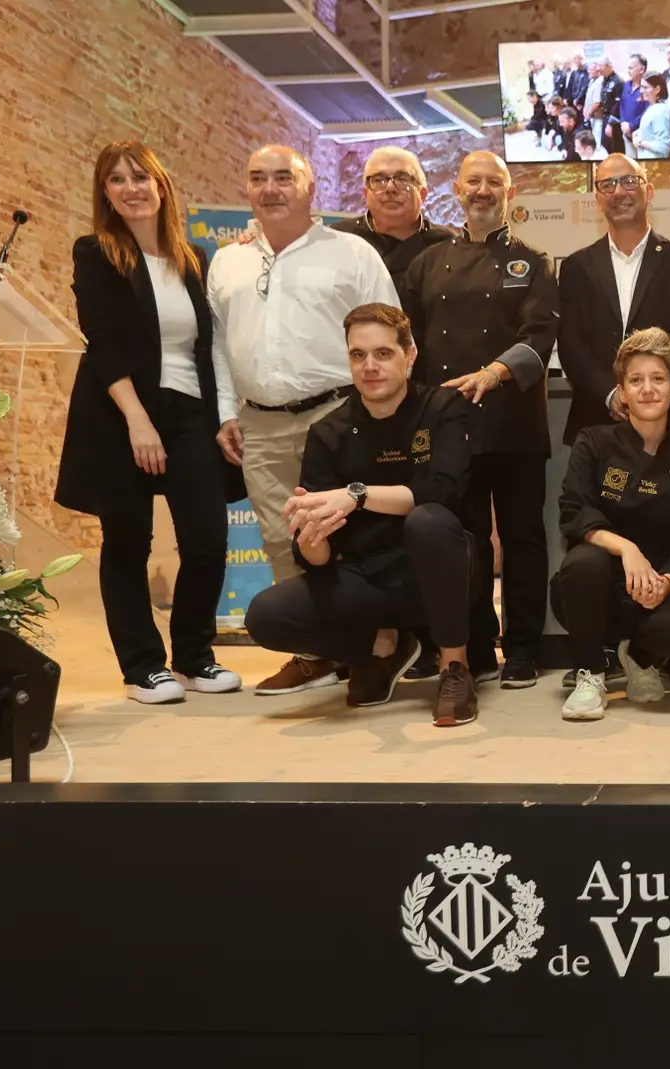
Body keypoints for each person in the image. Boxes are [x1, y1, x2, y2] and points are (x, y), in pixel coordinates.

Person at [57, 141, 246, 705]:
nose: (131, 188)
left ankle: (193, 658)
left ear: (161, 185)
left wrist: (222, 417)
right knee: (127, 542)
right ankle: (143, 667)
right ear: (106, 194)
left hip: (189, 412)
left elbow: (208, 346)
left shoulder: (192, 260)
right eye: (117, 180)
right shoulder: (96, 252)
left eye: (141, 177)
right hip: (121, 414)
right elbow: (104, 345)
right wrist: (138, 420)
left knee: (208, 540)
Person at [209, 144, 397, 697]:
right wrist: (225, 412)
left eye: (283, 177)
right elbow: (219, 346)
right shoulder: (229, 260)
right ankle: (318, 652)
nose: (271, 188)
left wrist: (383, 412)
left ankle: (377, 648)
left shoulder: (352, 253)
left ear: (310, 186)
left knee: (358, 534)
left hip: (340, 414)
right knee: (281, 539)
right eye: (258, 178)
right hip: (259, 424)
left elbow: (389, 332)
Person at [242, 304, 480, 727]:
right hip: (368, 577)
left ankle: (454, 669)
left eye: (383, 354)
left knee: (428, 520)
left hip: (446, 569)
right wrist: (313, 537)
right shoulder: (329, 432)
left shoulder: (442, 407)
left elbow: (444, 490)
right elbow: (314, 556)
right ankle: (380, 645)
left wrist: (357, 495)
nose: (370, 366)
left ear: (410, 356)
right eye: (358, 355)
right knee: (266, 615)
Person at [398, 150, 560, 690]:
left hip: (514, 421)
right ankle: (473, 644)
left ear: (509, 193)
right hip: (449, 425)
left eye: (495, 182)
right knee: (461, 539)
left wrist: (494, 372)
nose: (484, 190)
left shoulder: (532, 261)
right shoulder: (427, 262)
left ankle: (522, 649)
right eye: (475, 182)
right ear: (458, 190)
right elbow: (409, 342)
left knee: (522, 540)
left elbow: (540, 335)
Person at [557, 153, 670, 690]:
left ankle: (663, 643)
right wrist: (609, 392)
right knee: (592, 539)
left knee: (668, 529)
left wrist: (650, 389)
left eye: (627, 181)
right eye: (606, 184)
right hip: (597, 415)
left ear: (647, 189)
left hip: (666, 418)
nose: (618, 191)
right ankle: (594, 652)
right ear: (596, 196)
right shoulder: (574, 267)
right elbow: (569, 341)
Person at [554, 328, 670, 721]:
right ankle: (592, 673)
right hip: (594, 588)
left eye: (658, 379)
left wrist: (666, 584)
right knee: (582, 563)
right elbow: (573, 513)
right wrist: (627, 549)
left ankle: (639, 660)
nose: (647, 389)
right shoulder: (593, 442)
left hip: (653, 591)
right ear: (621, 392)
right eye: (635, 380)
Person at [332, 148, 453, 290]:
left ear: (422, 195)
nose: (390, 188)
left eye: (402, 180)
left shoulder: (446, 245)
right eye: (379, 180)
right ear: (365, 194)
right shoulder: (339, 239)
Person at [631, 74, 670, 160]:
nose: (641, 91)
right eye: (641, 87)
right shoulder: (653, 107)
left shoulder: (661, 111)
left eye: (645, 87)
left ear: (657, 89)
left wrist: (640, 142)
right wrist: (639, 132)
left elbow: (663, 147)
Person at [618, 54, 650, 155]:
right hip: (626, 133)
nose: (628, 71)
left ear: (642, 69)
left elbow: (647, 111)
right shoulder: (627, 85)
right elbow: (622, 105)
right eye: (628, 68)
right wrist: (623, 123)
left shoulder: (647, 88)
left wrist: (631, 126)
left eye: (631, 68)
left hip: (642, 136)